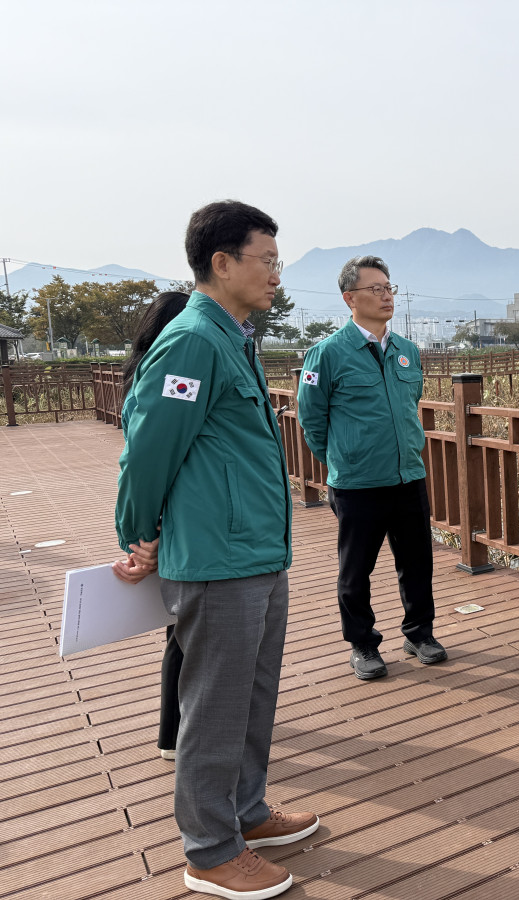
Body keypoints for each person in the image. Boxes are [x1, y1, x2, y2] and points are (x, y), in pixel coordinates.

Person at [115, 200, 317, 899]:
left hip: (256, 549)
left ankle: (247, 812)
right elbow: (148, 449)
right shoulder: (194, 341)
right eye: (266, 260)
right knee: (217, 705)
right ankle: (208, 849)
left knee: (254, 696)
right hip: (217, 557)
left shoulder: (232, 336)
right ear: (221, 262)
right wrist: (135, 533)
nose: (275, 274)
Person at [297, 256, 444, 680]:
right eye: (374, 289)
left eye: (388, 287)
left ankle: (420, 633)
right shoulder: (325, 354)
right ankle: (362, 643)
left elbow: (408, 405)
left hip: (408, 476)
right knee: (355, 569)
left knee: (417, 563)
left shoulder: (407, 351)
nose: (386, 295)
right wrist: (343, 460)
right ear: (350, 298)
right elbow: (312, 420)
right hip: (358, 484)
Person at [111, 290, 189, 762]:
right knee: (184, 631)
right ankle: (175, 734)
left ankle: (176, 730)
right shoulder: (171, 373)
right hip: (174, 518)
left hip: (164, 515)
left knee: (179, 628)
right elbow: (145, 460)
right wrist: (142, 536)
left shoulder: (142, 373)